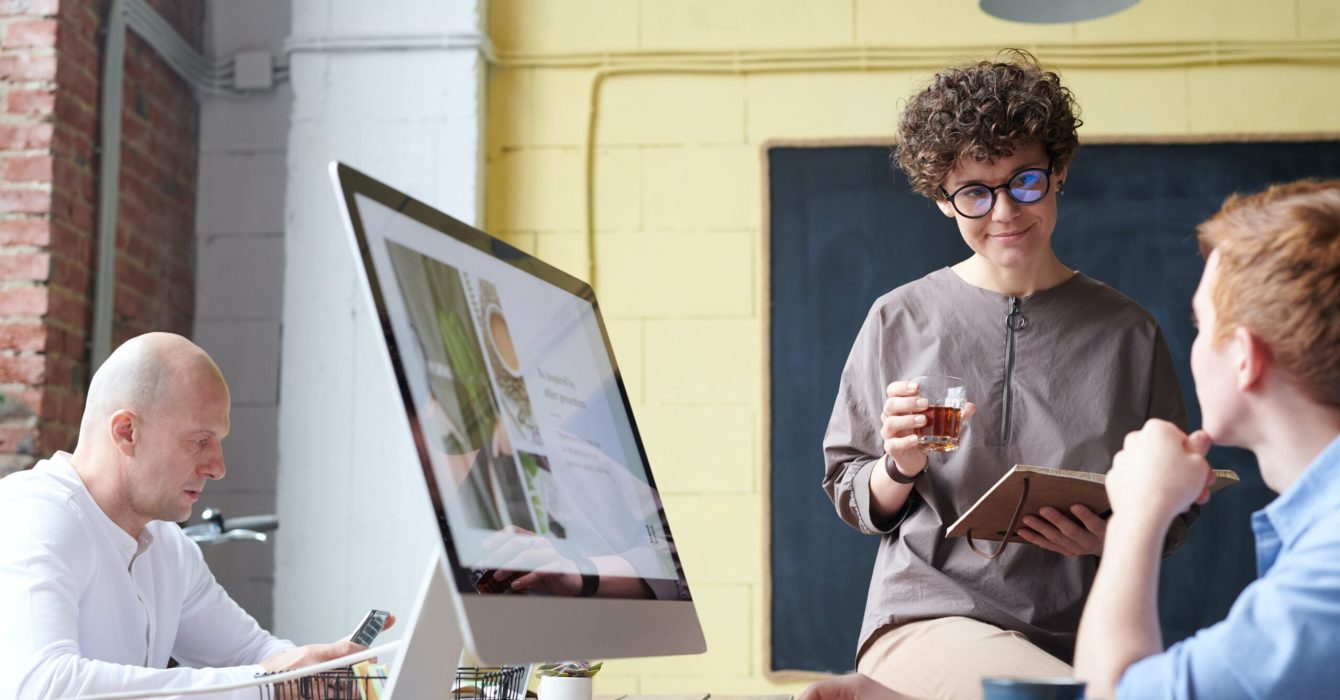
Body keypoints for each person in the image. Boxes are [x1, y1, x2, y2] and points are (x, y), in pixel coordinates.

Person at [822, 50, 1193, 698]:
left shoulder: (1130, 332)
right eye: (974, 193)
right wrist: (899, 464)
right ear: (943, 200)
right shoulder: (898, 318)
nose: (1003, 212)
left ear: (1059, 172)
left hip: (1081, 636)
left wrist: (1111, 534)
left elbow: (1173, 517)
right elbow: (851, 492)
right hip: (926, 617)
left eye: (1025, 181)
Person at [0, 332, 389, 699]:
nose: (218, 468)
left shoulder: (167, 545)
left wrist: (323, 674)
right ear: (126, 432)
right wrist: (270, 686)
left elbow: (252, 655)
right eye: (200, 441)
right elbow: (42, 688)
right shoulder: (36, 516)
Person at [1074, 180, 1340, 698]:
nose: (1194, 345)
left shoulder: (1327, 573)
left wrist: (1139, 511)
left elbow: (1112, 693)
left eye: (1200, 324)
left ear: (1244, 358)